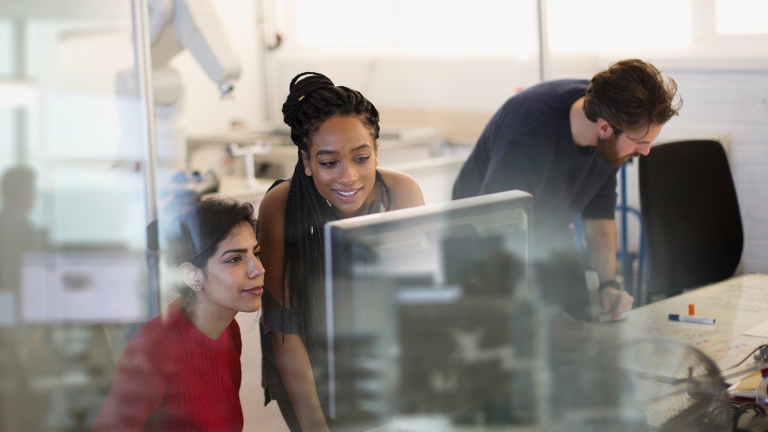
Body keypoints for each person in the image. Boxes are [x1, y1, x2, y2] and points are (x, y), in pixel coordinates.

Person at [452, 59, 681, 321]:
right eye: (640, 142)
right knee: (539, 337)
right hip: (481, 240)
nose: (646, 151)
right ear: (604, 127)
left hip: (548, 226)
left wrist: (608, 285)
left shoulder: (613, 120)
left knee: (582, 321)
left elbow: (599, 210)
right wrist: (541, 316)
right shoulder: (528, 133)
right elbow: (498, 233)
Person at [258, 72, 425, 432]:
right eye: (329, 162)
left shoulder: (401, 194)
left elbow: (414, 301)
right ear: (306, 161)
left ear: (376, 152)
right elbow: (285, 329)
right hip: (304, 365)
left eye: (361, 158)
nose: (348, 176)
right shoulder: (281, 207)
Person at [92, 197, 264, 431]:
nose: (258, 269)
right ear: (193, 275)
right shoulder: (155, 348)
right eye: (235, 259)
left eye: (256, 253)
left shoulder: (228, 330)